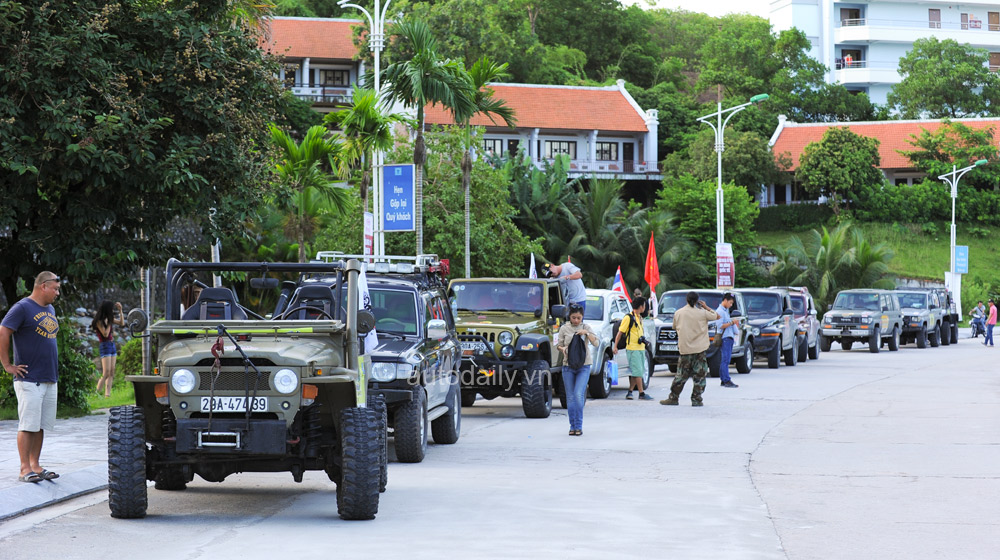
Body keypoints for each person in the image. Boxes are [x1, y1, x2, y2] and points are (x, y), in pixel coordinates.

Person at [1, 271, 62, 483]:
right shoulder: (22, 308)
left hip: (48, 377)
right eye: (55, 289)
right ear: (43, 286)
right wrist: (7, 365)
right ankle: (24, 468)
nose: (57, 293)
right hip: (29, 378)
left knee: (40, 424)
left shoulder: (50, 308)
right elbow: (3, 331)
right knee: (28, 424)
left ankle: (36, 465)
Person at [661, 291, 719, 407]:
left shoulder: (678, 313)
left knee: (681, 375)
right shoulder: (702, 313)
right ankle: (696, 399)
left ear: (686, 300)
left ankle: (673, 398)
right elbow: (716, 315)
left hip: (685, 349)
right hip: (699, 349)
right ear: (698, 301)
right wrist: (705, 306)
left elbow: (675, 326)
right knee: (700, 376)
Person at [556, 304, 598, 436]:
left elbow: (596, 343)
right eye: (573, 318)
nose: (576, 321)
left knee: (578, 395)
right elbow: (559, 345)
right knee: (570, 397)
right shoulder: (564, 328)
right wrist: (563, 349)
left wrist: (587, 334)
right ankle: (572, 426)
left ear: (582, 317)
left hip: (583, 366)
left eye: (579, 318)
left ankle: (578, 426)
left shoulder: (586, 327)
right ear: (569, 316)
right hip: (568, 366)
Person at [613, 296, 653, 401]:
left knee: (636, 371)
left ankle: (630, 392)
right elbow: (620, 333)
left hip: (640, 348)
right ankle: (641, 393)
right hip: (632, 348)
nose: (645, 307)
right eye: (644, 305)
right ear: (641, 306)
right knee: (638, 371)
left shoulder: (639, 317)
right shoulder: (628, 318)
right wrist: (615, 346)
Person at [92, 300, 125, 398]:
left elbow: (122, 323)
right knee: (106, 372)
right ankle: (96, 393)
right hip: (105, 345)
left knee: (111, 371)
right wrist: (110, 322)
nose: (112, 311)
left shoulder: (109, 319)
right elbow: (105, 334)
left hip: (111, 345)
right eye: (111, 309)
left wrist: (120, 311)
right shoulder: (99, 321)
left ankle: (107, 395)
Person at [715, 294, 740, 388]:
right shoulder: (720, 311)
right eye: (730, 303)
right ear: (725, 300)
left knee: (725, 360)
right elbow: (720, 325)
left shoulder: (725, 311)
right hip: (725, 338)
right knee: (725, 360)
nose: (731, 305)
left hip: (729, 337)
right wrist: (732, 322)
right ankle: (726, 380)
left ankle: (723, 379)